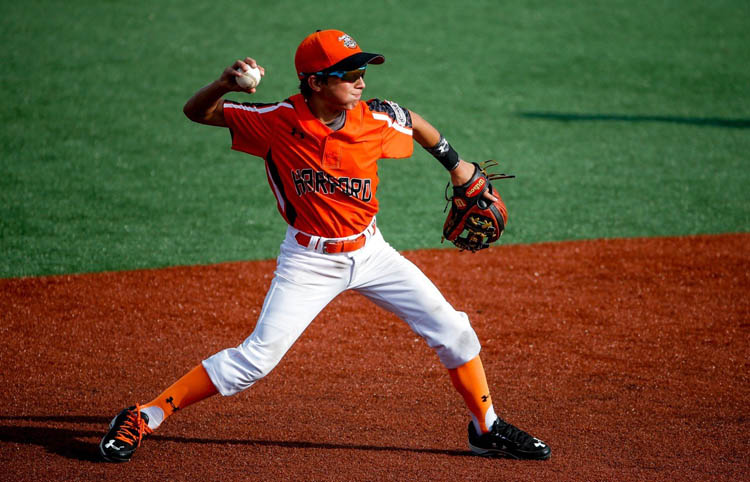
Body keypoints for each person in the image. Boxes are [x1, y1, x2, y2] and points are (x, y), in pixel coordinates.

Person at [98, 29, 550, 462]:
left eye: (362, 70)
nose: (361, 80)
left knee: (453, 330)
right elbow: (197, 113)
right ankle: (144, 415)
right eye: (349, 73)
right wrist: (221, 83)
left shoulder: (373, 118)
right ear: (315, 82)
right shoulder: (276, 121)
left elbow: (411, 122)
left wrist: (458, 166)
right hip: (308, 262)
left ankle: (485, 428)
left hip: (372, 254)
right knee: (255, 360)